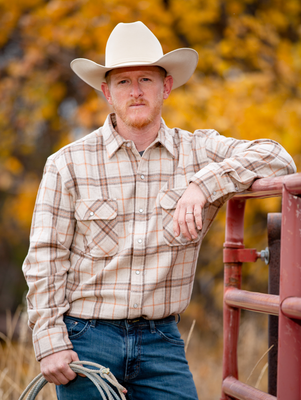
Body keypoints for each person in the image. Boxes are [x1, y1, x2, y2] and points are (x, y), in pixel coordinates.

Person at [22, 21, 296, 400]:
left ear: (166, 86)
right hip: (87, 337)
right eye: (123, 82)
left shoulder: (197, 152)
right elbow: (45, 258)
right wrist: (50, 340)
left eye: (146, 80)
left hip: (160, 340)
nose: (135, 92)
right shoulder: (67, 164)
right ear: (106, 92)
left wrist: (203, 185)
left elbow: (278, 158)